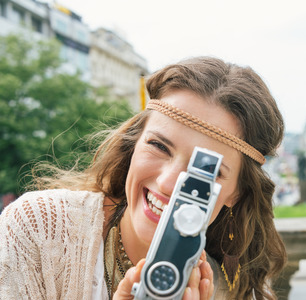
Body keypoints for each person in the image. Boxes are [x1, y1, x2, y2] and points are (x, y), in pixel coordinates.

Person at [0, 56, 287, 299]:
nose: (168, 183)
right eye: (159, 146)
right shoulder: (37, 229)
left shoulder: (227, 290)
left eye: (206, 172)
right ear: (134, 144)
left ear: (236, 192)